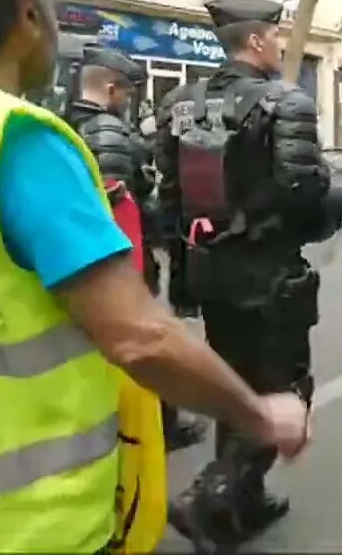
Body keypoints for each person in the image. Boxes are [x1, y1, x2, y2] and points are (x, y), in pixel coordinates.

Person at [0, 0, 310, 552]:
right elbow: (140, 339)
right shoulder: (9, 139)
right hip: (17, 526)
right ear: (28, 15)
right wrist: (259, 412)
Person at [156, 0, 342, 550]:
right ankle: (210, 494)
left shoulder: (177, 104)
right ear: (258, 41)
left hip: (209, 268)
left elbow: (169, 197)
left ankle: (241, 502)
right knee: (284, 392)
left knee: (230, 385)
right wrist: (336, 196)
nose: (283, 47)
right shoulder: (286, 102)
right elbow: (303, 190)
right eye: (278, 38)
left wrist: (184, 277)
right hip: (267, 272)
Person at [63, 46, 208, 453]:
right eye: (126, 94)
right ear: (111, 90)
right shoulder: (107, 132)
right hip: (124, 260)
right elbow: (115, 208)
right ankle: (161, 426)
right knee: (144, 341)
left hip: (100, 262)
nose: (129, 103)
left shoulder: (70, 123)